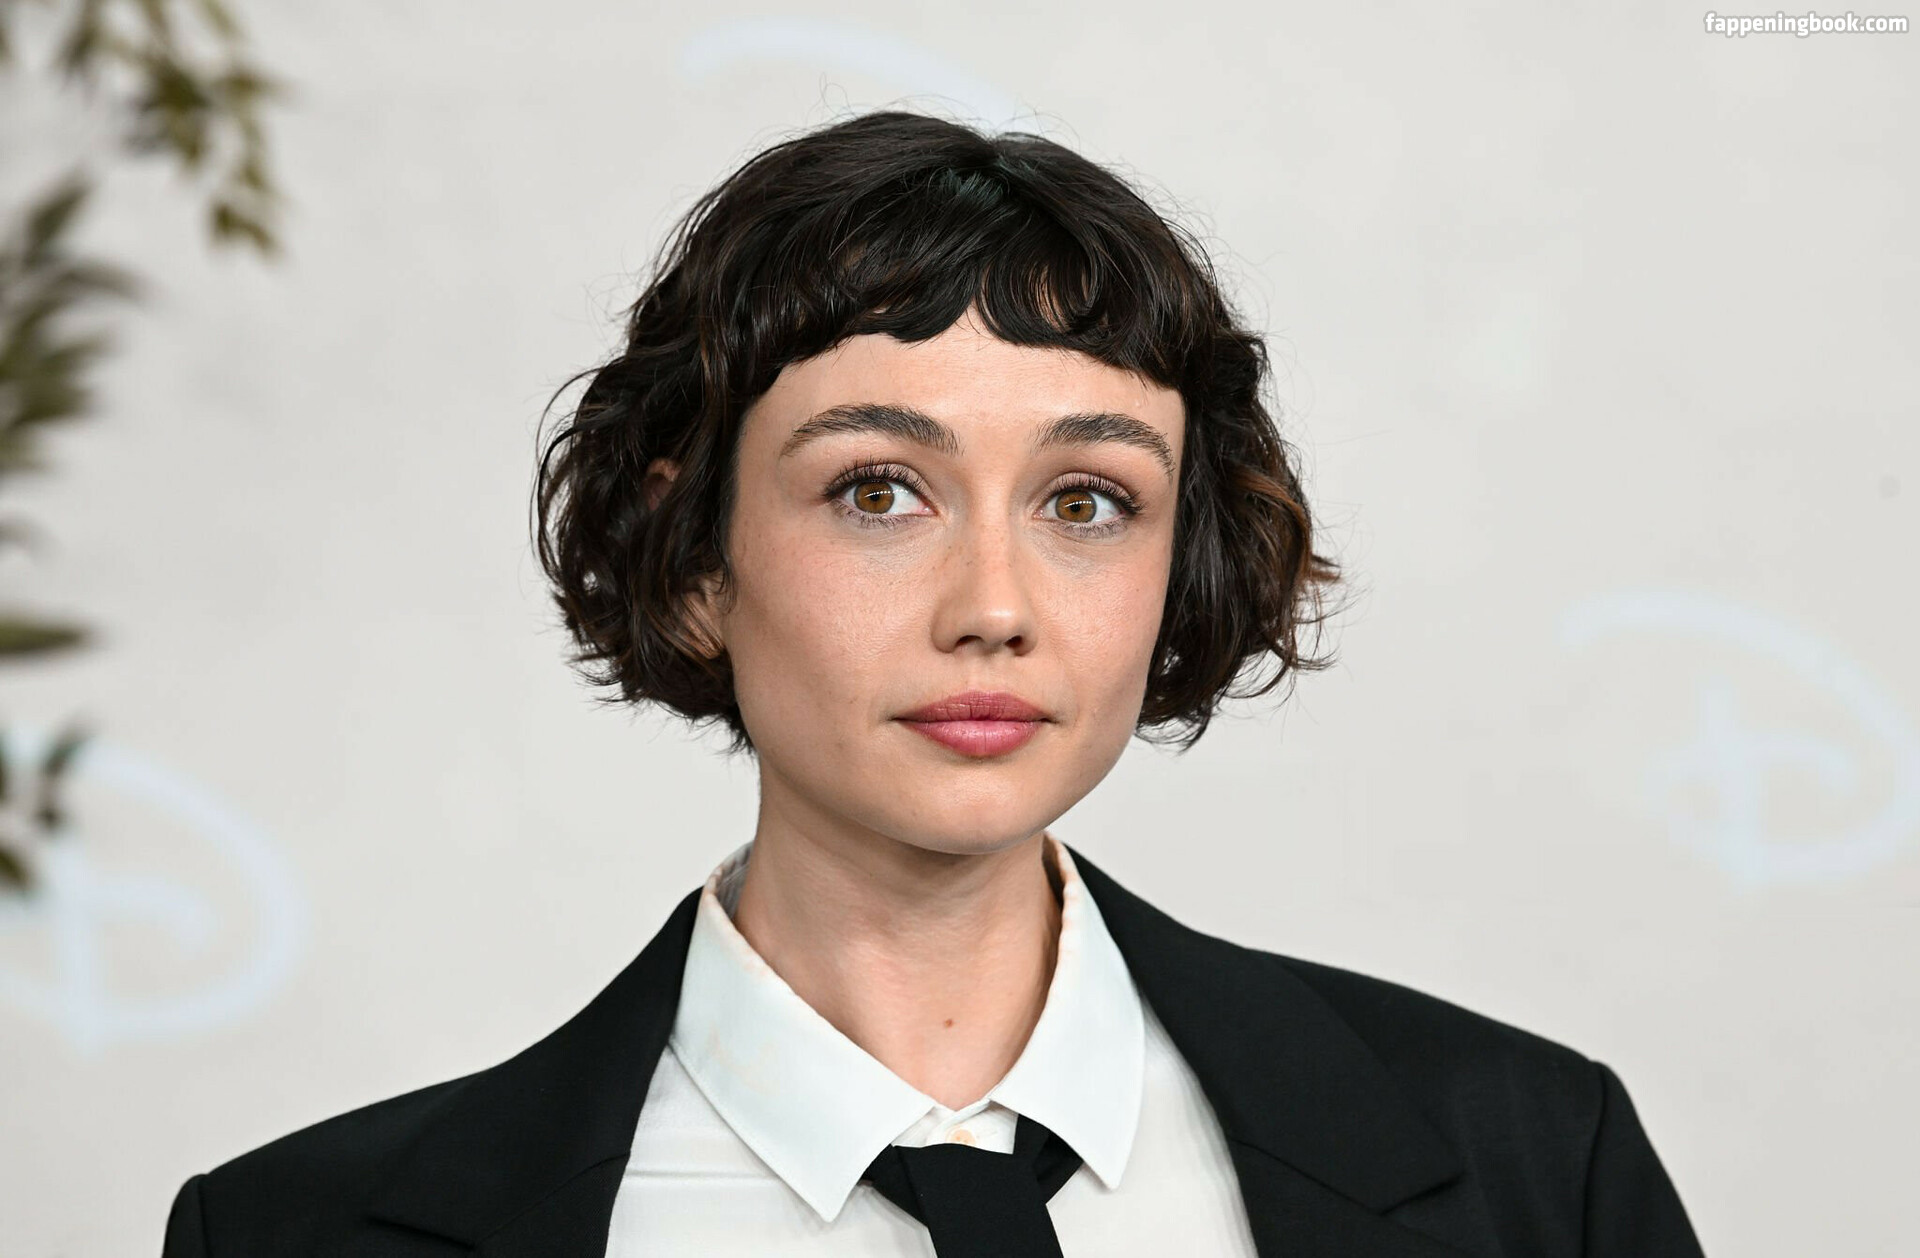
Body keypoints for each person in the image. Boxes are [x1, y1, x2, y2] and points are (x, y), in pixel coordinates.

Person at [161, 110, 1706, 1257]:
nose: (994, 609)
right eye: (878, 490)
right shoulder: (293, 1234)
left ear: (1180, 564)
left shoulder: (1532, 1165)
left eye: (1087, 501)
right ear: (693, 557)